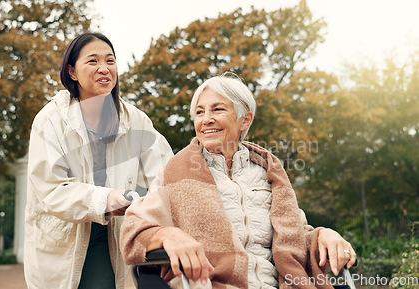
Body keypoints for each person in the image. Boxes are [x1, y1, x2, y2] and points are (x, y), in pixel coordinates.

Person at [120, 74, 357, 289]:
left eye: (217, 110)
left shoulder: (268, 171)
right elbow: (133, 228)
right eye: (200, 112)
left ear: (245, 120)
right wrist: (167, 235)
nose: (206, 119)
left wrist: (323, 235)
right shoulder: (177, 173)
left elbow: (291, 238)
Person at [24, 32, 173, 289]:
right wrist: (106, 199)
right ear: (72, 72)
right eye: (92, 61)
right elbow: (52, 189)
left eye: (110, 61)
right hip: (62, 238)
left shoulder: (134, 120)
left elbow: (166, 175)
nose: (104, 68)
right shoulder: (50, 120)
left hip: (108, 237)